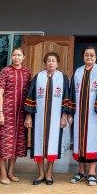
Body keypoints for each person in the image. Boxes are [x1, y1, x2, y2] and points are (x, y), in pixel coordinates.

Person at [24, 52, 70, 185]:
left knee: (53, 144)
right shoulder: (38, 77)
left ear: (57, 63)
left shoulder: (63, 78)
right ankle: (40, 173)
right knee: (38, 144)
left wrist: (63, 116)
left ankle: (49, 173)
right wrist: (28, 116)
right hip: (38, 118)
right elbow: (31, 97)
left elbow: (66, 99)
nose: (51, 63)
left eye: (53, 61)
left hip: (56, 118)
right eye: (48, 60)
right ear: (45, 63)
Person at [68, 45, 97, 187]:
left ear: (96, 57)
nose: (89, 57)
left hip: (94, 114)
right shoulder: (78, 72)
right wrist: (70, 112)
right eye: (86, 55)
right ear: (83, 56)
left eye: (92, 55)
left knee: (92, 142)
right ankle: (81, 172)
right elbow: (72, 92)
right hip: (79, 115)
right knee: (80, 143)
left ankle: (92, 173)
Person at [0, 47, 31, 184]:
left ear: (23, 57)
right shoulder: (5, 71)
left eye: (19, 55)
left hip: (21, 113)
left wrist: (29, 114)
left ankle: (11, 172)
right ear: (11, 57)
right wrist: (0, 112)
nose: (16, 57)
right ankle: (2, 173)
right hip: (6, 113)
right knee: (5, 143)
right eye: (14, 55)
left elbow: (29, 93)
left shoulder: (27, 72)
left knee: (16, 144)